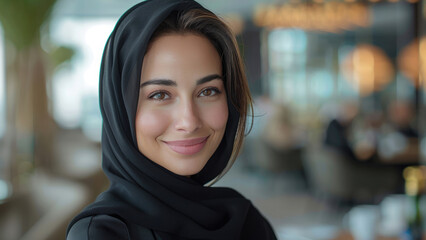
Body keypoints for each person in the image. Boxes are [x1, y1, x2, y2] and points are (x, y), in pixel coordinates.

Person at [66, 0, 277, 239]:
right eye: (160, 95)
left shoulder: (245, 221)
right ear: (120, 110)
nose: (189, 121)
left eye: (208, 91)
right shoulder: (102, 233)